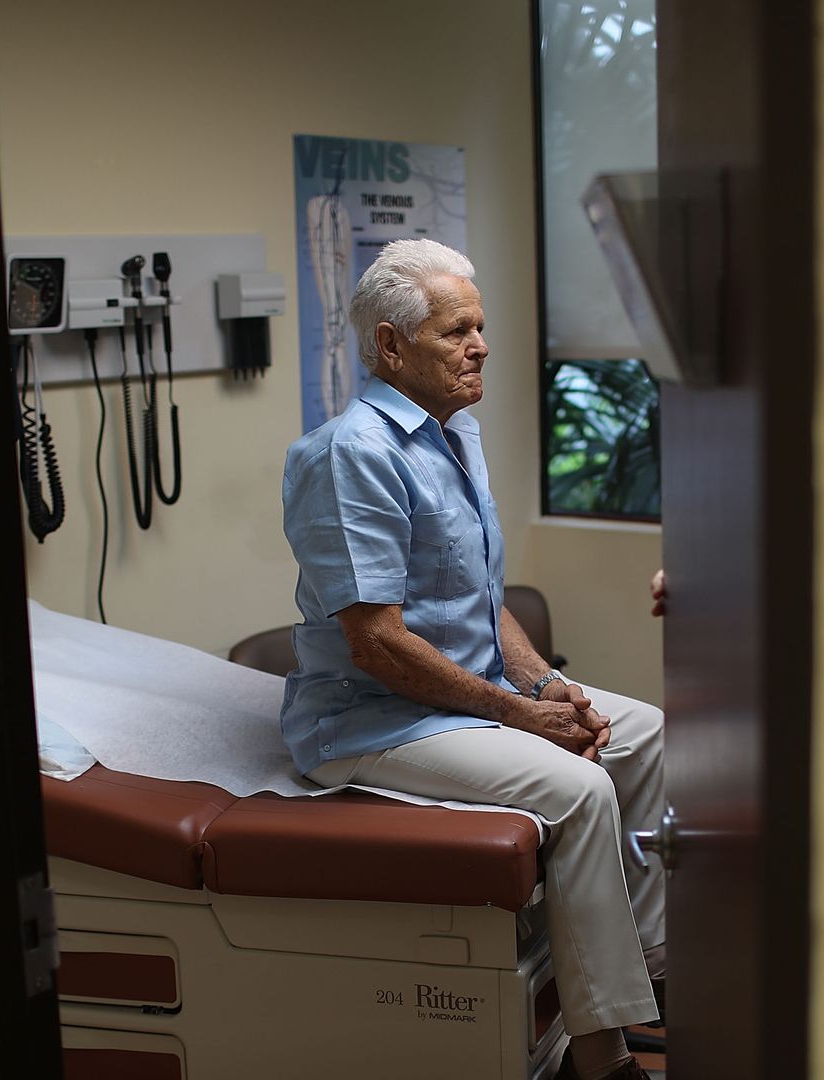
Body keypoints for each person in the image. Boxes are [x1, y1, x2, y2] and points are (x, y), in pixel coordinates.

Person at [281, 239, 665, 1080]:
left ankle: (649, 984)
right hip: (374, 721)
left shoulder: (456, 436)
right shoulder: (354, 454)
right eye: (458, 330)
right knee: (581, 786)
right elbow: (376, 640)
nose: (481, 345)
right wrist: (525, 719)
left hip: (466, 695)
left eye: (480, 327)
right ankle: (600, 1060)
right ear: (390, 346)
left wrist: (548, 684)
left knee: (647, 735)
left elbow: (480, 597)